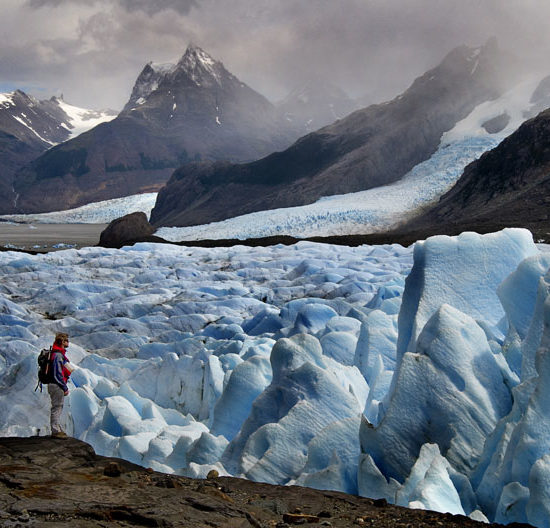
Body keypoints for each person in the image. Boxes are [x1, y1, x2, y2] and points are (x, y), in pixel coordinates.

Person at [48, 332, 73, 438]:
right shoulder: (58, 355)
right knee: (57, 407)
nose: (68, 342)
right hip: (56, 385)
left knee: (58, 406)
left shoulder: (57, 353)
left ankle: (57, 429)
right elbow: (57, 373)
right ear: (62, 342)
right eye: (66, 340)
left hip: (54, 384)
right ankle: (55, 431)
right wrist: (64, 387)